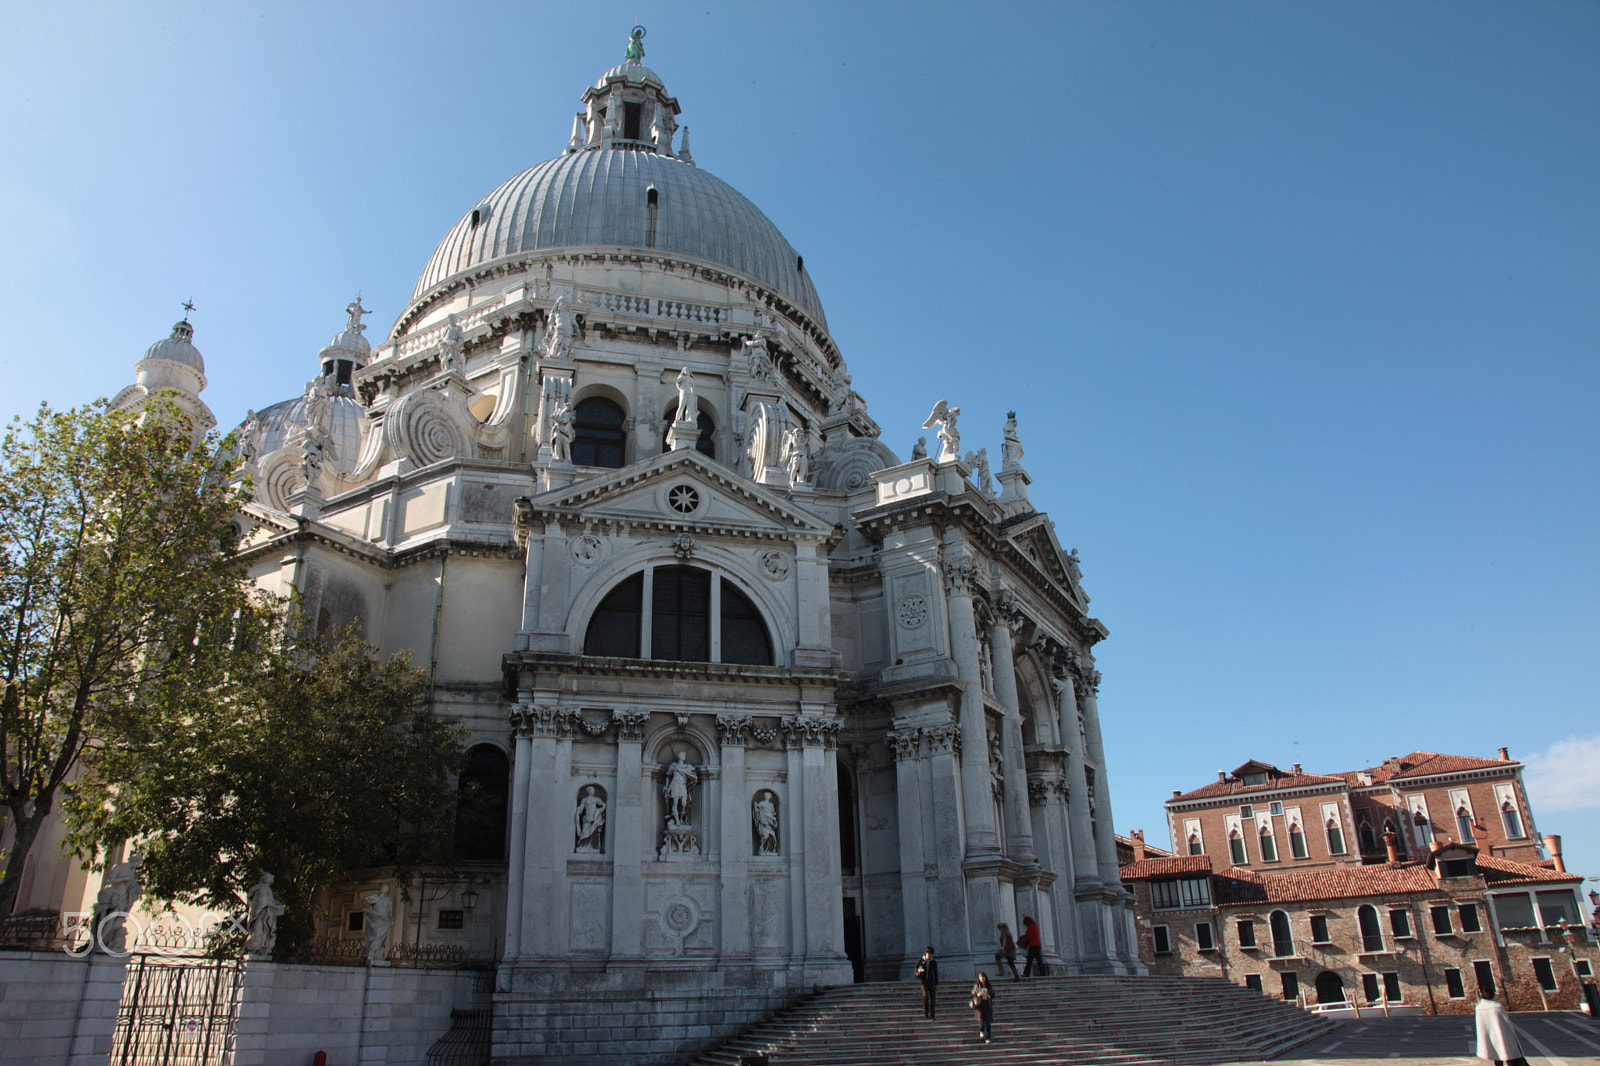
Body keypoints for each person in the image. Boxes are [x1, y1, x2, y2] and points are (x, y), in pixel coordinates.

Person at [1474, 987, 1529, 1066]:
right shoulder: (1498, 1006)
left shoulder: (1479, 1008)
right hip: (1503, 1035)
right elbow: (1506, 1023)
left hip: (1490, 1036)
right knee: (1508, 1053)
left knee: (1496, 1055)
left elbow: (1481, 1027)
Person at [969, 971, 995, 1043]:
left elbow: (993, 994)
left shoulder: (988, 986)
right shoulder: (977, 986)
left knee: (988, 1023)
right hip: (980, 1006)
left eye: (983, 977)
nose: (982, 979)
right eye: (981, 977)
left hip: (987, 1005)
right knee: (982, 1022)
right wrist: (978, 995)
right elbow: (972, 995)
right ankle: (981, 1030)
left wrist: (988, 995)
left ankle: (988, 1037)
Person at [915, 946, 939, 1019]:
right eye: (929, 955)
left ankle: (932, 1014)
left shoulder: (933, 962)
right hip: (924, 982)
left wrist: (937, 984)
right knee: (925, 996)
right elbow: (916, 968)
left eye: (931, 955)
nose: (930, 957)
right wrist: (918, 972)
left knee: (933, 999)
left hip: (931, 982)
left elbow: (935, 973)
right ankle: (926, 1012)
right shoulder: (922, 960)